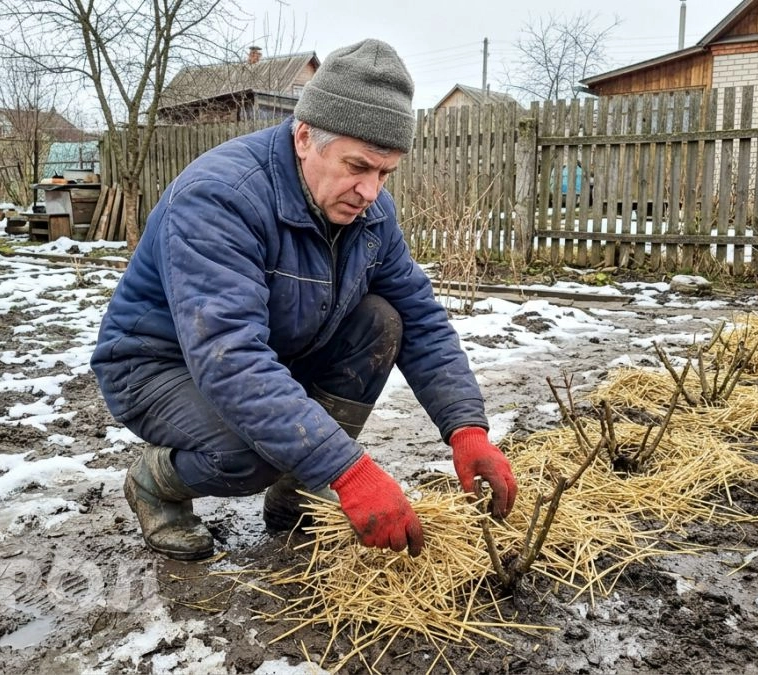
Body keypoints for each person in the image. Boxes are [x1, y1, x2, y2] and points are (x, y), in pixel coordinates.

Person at [90, 38, 517, 561]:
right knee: (254, 451)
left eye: (385, 174)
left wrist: (466, 428)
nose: (371, 192)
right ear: (304, 137)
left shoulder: (370, 215)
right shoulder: (221, 198)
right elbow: (231, 357)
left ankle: (297, 501)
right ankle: (155, 482)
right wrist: (349, 472)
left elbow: (420, 317)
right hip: (161, 364)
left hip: (273, 351)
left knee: (381, 322)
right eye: (357, 166)